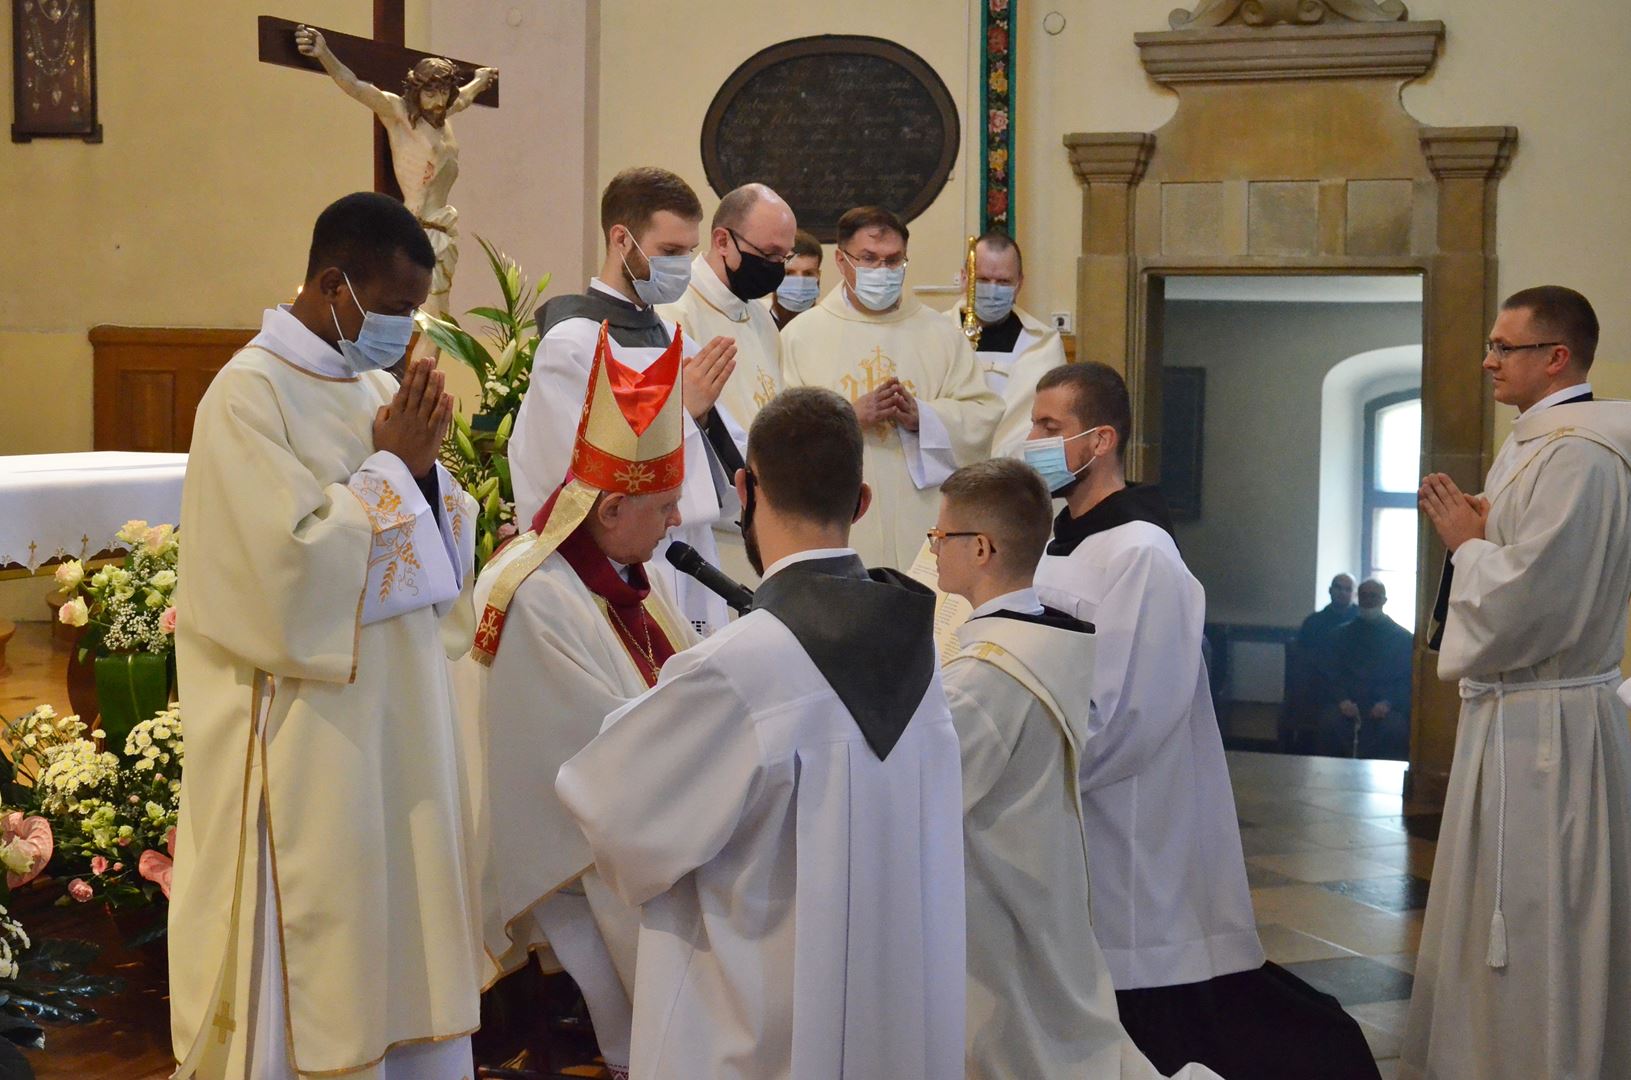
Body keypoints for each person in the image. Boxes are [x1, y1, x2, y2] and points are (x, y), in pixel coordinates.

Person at [557, 387, 965, 1079]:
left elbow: (610, 812)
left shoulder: (738, 669)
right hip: (894, 1037)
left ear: (744, 489)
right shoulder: (924, 660)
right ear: (862, 502)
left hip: (761, 1045)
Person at [169, 192, 483, 1078]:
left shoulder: (376, 383)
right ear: (333, 283)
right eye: (389, 310)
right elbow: (285, 573)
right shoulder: (246, 396)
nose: (400, 330)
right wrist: (395, 470)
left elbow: (438, 527)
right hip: (308, 735)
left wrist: (425, 485)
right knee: (328, 934)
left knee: (403, 910)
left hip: (398, 718)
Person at [1027, 362, 1379, 1078]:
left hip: (1120, 819)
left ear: (1099, 441)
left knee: (1160, 1009)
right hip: (1063, 813)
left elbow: (1128, 712)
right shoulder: (1059, 539)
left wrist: (1030, 770)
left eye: (1047, 428)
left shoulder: (1140, 552)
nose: (1030, 441)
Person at [460, 323, 699, 1079]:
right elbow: (578, 748)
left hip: (633, 801)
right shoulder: (530, 592)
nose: (677, 521)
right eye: (663, 506)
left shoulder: (635, 569)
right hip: (565, 842)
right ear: (607, 511)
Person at [1405, 286, 1631, 1080]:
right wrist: (1480, 530)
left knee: (1538, 918)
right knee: (1500, 916)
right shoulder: (1536, 444)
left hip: (1548, 728)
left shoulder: (1577, 455)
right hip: (1514, 719)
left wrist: (1467, 544)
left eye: (1505, 347)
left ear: (1556, 358)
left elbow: (1532, 604)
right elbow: (1526, 566)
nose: (1487, 359)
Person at [934, 458, 1219, 1080]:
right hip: (1034, 886)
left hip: (997, 898)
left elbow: (922, 800)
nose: (932, 549)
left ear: (979, 548)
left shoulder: (984, 676)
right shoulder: (1042, 637)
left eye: (940, 536)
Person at [509, 166, 741, 635]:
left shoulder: (678, 340)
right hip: (614, 576)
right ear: (621, 239)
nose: (682, 266)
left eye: (689, 252)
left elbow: (729, 465)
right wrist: (683, 417)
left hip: (687, 558)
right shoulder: (572, 344)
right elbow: (573, 478)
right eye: (670, 252)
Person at [780, 205, 1000, 568]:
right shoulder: (802, 336)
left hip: (923, 521)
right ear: (841, 260)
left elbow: (983, 415)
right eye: (868, 259)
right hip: (836, 523)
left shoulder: (941, 334)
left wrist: (924, 417)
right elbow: (780, 436)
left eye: (893, 260)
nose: (882, 271)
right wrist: (847, 418)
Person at [294, 26, 497, 315]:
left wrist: (480, 80)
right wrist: (324, 53)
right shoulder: (400, 115)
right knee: (423, 315)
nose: (439, 102)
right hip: (417, 228)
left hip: (442, 229)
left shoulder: (442, 115)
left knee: (440, 316)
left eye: (443, 93)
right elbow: (354, 85)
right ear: (417, 89)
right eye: (430, 92)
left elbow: (463, 98)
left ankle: (418, 363)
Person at [658, 183, 795, 582]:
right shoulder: (674, 311)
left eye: (784, 256)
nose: (776, 268)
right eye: (768, 254)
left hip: (762, 520)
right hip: (705, 528)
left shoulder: (760, 316)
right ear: (722, 240)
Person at [942, 231, 1069, 456]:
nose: (992, 290)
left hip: (1015, 475)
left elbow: (1053, 425)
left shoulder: (1042, 343)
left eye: (1003, 282)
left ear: (1019, 283)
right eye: (982, 280)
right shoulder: (936, 334)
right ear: (964, 278)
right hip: (948, 468)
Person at [1322, 578, 1412, 759]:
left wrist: (1388, 703)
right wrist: (1342, 700)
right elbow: (1331, 674)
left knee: (1395, 727)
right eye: (1364, 595)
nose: (1368, 600)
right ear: (1357, 598)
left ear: (1384, 600)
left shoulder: (1402, 639)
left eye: (1374, 596)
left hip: (1385, 706)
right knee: (1330, 721)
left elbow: (1406, 679)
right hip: (1348, 703)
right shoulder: (1339, 635)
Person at [1284, 573, 1357, 751]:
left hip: (1355, 685)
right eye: (1338, 587)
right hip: (1319, 686)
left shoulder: (1360, 622)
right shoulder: (1314, 623)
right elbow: (1306, 661)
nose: (1342, 592)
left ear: (1354, 594)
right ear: (1330, 590)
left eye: (1347, 589)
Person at [768, 229, 823, 330]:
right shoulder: (756, 326)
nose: (799, 283)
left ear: (818, 276)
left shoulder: (827, 328)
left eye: (808, 274)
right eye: (788, 273)